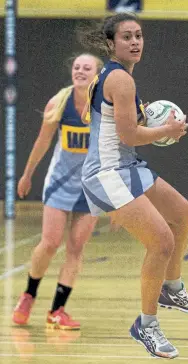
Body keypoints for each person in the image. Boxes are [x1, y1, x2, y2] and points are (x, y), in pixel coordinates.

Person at [80, 13, 188, 358]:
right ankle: (146, 326)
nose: (135, 42)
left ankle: (171, 288)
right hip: (107, 173)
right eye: (127, 37)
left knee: (181, 213)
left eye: (139, 36)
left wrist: (139, 114)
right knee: (162, 240)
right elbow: (128, 135)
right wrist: (165, 131)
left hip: (126, 165)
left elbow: (97, 118)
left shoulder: (113, 78)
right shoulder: (121, 80)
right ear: (111, 44)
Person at [13, 53, 103, 330]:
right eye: (76, 67)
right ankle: (28, 294)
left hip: (92, 186)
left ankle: (57, 310)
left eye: (86, 68)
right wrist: (27, 174)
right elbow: (42, 141)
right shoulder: (59, 102)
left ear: (97, 74)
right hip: (60, 182)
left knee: (76, 247)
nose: (80, 71)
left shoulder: (106, 105)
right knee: (50, 242)